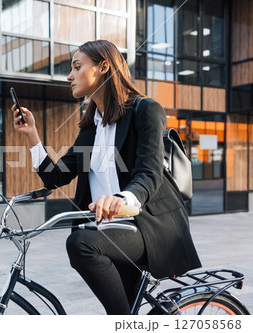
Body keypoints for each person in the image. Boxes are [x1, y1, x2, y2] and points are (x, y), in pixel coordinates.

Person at [12, 40, 201, 315]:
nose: (70, 76)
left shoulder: (145, 110)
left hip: (147, 227)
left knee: (81, 244)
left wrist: (120, 199)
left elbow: (149, 173)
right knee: (119, 309)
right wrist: (32, 136)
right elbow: (56, 176)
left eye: (77, 67)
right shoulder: (91, 127)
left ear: (104, 67)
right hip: (112, 230)